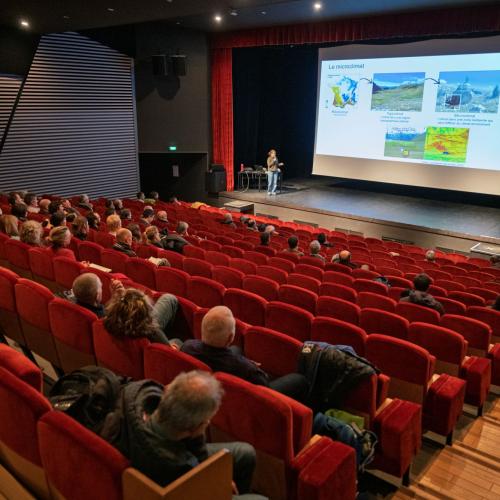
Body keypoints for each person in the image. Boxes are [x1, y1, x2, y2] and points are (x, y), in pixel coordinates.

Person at [113, 370, 266, 499]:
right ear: (193, 428)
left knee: (246, 453)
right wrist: (218, 481)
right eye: (206, 421)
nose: (208, 423)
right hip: (169, 472)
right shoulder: (176, 465)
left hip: (159, 443)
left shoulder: (142, 391)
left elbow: (197, 455)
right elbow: (194, 475)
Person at [182, 306, 309, 403]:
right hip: (252, 397)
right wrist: (252, 367)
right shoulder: (247, 370)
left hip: (208, 387)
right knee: (299, 380)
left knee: (236, 349)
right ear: (230, 337)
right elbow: (265, 388)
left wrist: (245, 362)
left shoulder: (187, 346)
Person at [104, 287, 179, 346]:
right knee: (178, 341)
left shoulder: (109, 323)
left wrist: (117, 298)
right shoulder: (154, 333)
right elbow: (169, 350)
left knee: (168, 298)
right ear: (145, 314)